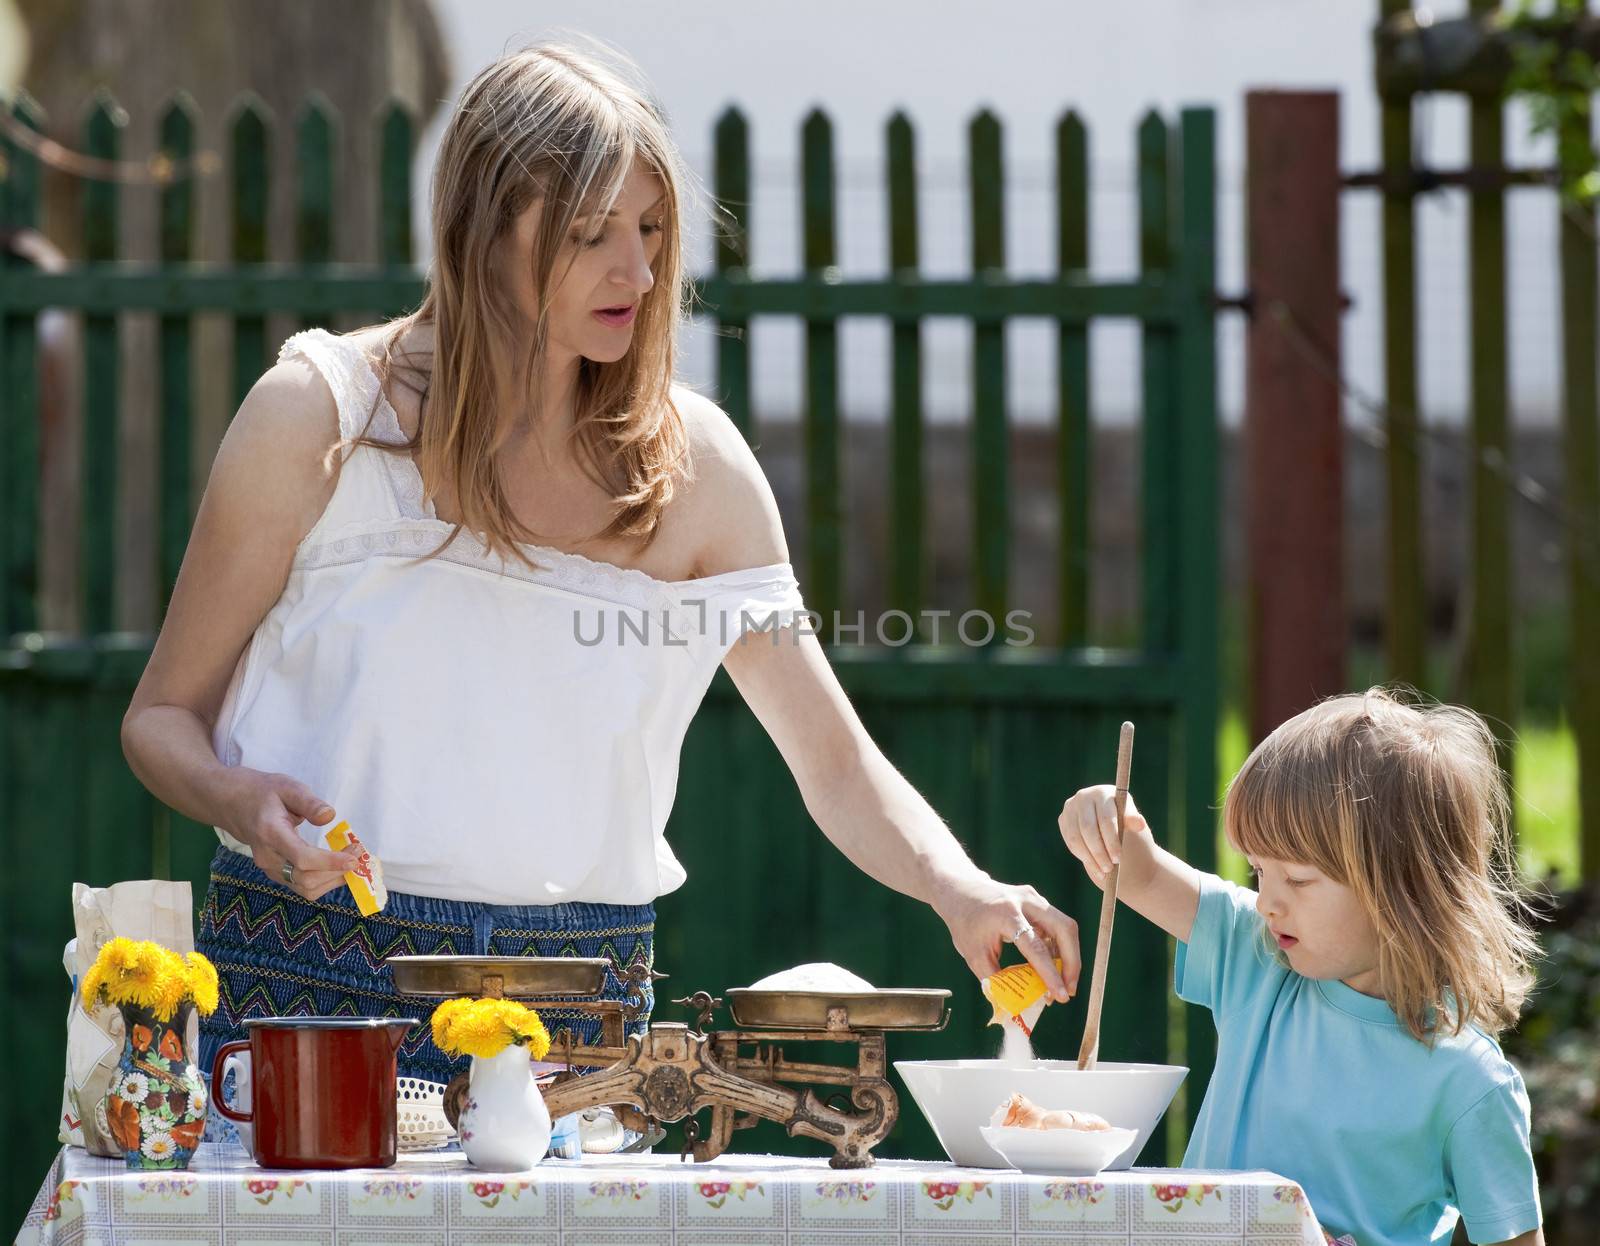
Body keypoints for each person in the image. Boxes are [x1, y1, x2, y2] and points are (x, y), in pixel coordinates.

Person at [119, 40, 1081, 1132]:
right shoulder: (316, 419)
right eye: (589, 236)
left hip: (587, 1020)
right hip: (312, 995)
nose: (637, 272)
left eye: (651, 230)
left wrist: (961, 889)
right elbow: (161, 717)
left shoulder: (696, 469)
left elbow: (832, 757)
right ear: (482, 233)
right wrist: (239, 800)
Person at [1059, 687, 1544, 1245]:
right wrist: (1103, 818)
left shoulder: (1470, 1081)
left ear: (1402, 888)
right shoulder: (1259, 958)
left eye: (1299, 879)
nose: (1267, 901)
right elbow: (1139, 873)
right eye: (1258, 871)